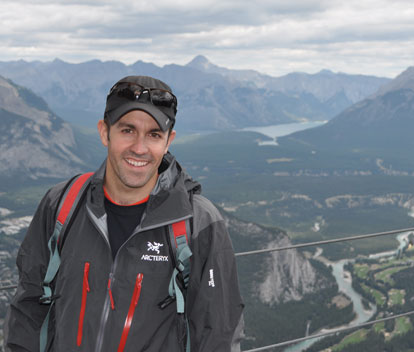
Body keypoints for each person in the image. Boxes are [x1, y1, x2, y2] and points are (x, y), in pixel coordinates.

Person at [4, 76, 244, 351]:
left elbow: (219, 337)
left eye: (154, 134)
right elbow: (28, 312)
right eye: (128, 130)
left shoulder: (198, 223)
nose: (139, 148)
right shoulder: (60, 205)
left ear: (168, 141)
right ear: (105, 132)